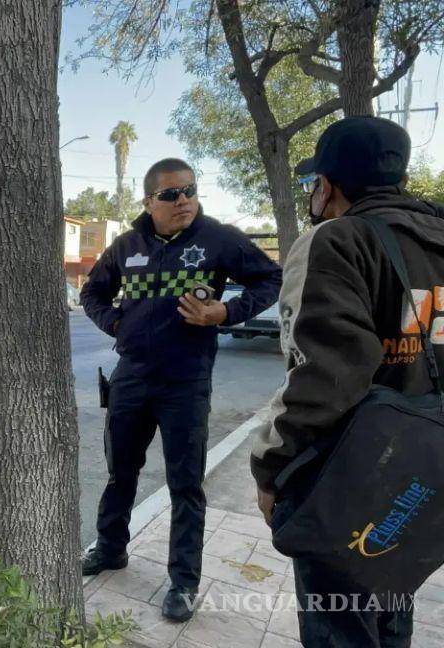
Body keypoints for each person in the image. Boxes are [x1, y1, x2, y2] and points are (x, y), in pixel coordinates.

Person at [251, 117, 443, 647]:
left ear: (328, 185)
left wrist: (272, 470)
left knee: (341, 626)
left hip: (349, 482)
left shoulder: (338, 240)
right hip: (426, 477)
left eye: (316, 182)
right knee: (390, 608)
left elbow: (322, 377)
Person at [80, 158, 282, 622]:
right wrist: (116, 323)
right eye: (170, 194)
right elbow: (93, 293)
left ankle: (184, 582)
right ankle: (111, 549)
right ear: (149, 202)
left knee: (185, 484)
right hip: (131, 376)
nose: (183, 200)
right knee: (120, 472)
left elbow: (270, 278)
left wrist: (226, 314)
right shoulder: (126, 245)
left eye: (189, 190)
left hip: (186, 382)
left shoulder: (218, 238)